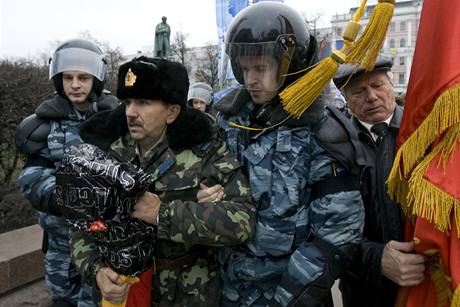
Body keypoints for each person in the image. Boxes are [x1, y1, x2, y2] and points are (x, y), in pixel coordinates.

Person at [69, 56, 255, 307]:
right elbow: (81, 223)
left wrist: (162, 214)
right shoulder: (104, 154)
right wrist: (97, 272)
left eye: (144, 103)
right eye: (128, 102)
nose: (131, 112)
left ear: (172, 112)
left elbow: (242, 221)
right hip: (123, 294)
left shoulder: (205, 152)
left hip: (187, 294)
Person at [213, 2, 365, 306]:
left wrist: (286, 298)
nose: (251, 79)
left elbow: (338, 230)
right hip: (228, 291)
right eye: (244, 68)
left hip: (288, 294)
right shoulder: (229, 118)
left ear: (292, 64)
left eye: (260, 68)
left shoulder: (320, 127)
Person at [15, 38, 119, 307]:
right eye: (68, 77)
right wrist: (63, 196)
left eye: (83, 77)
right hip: (61, 241)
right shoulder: (44, 125)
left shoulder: (115, 119)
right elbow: (32, 175)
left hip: (103, 242)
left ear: (95, 79)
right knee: (63, 301)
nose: (75, 85)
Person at [332, 56, 426, 307]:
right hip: (364, 291)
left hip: (426, 284)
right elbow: (326, 228)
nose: (372, 96)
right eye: (359, 91)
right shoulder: (333, 146)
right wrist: (375, 260)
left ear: (392, 86)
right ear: (346, 101)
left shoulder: (425, 132)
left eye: (378, 85)